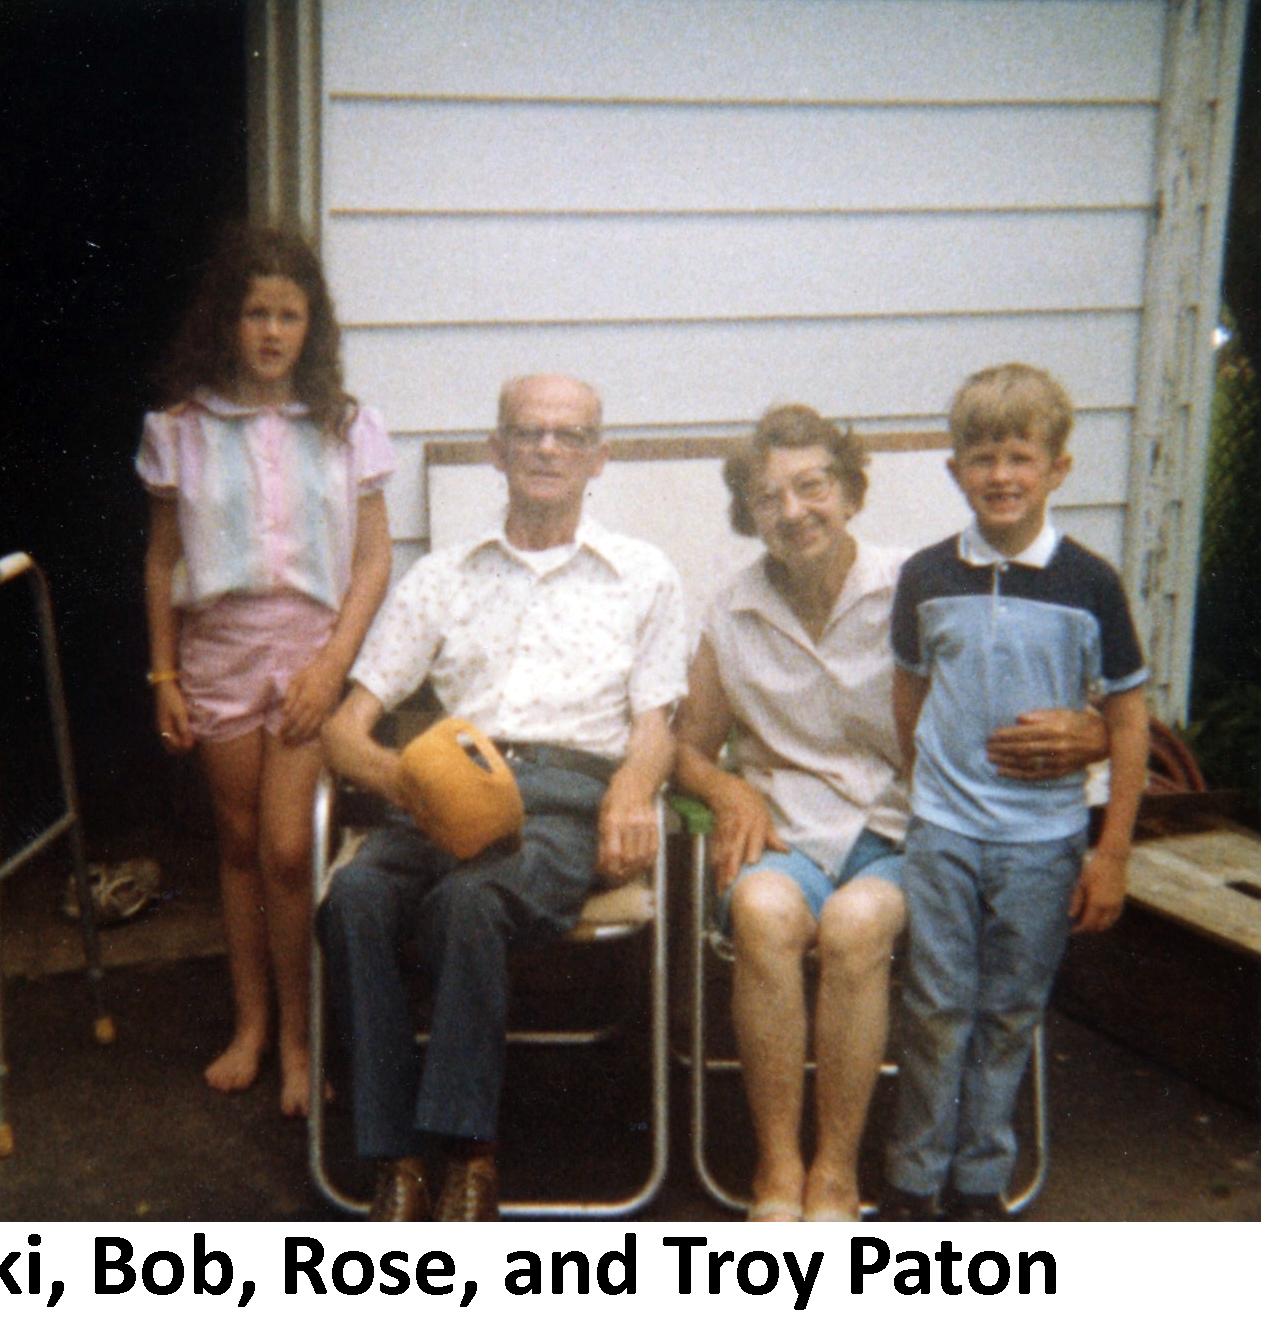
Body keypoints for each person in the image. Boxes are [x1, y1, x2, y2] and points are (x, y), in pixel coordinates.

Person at [673, 404, 1108, 1222]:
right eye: (771, 497)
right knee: (763, 911)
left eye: (814, 486)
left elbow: (1060, 692)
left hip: (914, 826)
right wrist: (728, 788)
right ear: (748, 511)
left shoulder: (922, 583)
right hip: (790, 828)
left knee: (858, 923)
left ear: (849, 491)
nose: (794, 510)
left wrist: (1090, 732)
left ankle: (835, 1170)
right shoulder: (730, 610)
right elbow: (688, 746)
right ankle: (777, 1167)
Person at [317, 374, 687, 1220]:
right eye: (528, 433)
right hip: (452, 788)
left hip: (567, 796)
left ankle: (470, 1156)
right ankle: (396, 1156)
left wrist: (632, 787)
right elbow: (345, 730)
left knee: (471, 902)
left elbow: (658, 719)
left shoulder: (642, 575)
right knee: (356, 895)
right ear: (497, 450)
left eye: (569, 435)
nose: (548, 449)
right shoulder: (442, 577)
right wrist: (401, 780)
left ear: (600, 456)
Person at [882, 363, 1150, 1220]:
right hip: (945, 833)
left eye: (1021, 457)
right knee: (933, 1006)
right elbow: (909, 692)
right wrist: (930, 792)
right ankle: (914, 1178)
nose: (1002, 475)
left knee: (1008, 1009)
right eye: (983, 456)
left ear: (1058, 469)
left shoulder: (1090, 582)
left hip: (1042, 839)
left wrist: (1110, 853)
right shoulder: (927, 576)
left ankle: (979, 1180)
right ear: (956, 469)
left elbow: (1131, 718)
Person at [137, 225, 394, 1117]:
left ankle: (300, 1038)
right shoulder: (181, 428)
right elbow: (162, 559)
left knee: (291, 848)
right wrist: (163, 675)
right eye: (256, 314)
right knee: (239, 844)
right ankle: (252, 1026)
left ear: (312, 326)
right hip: (217, 649)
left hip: (309, 652)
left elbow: (371, 562)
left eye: (290, 315)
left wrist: (334, 664)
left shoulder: (346, 426)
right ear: (228, 322)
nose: (273, 332)